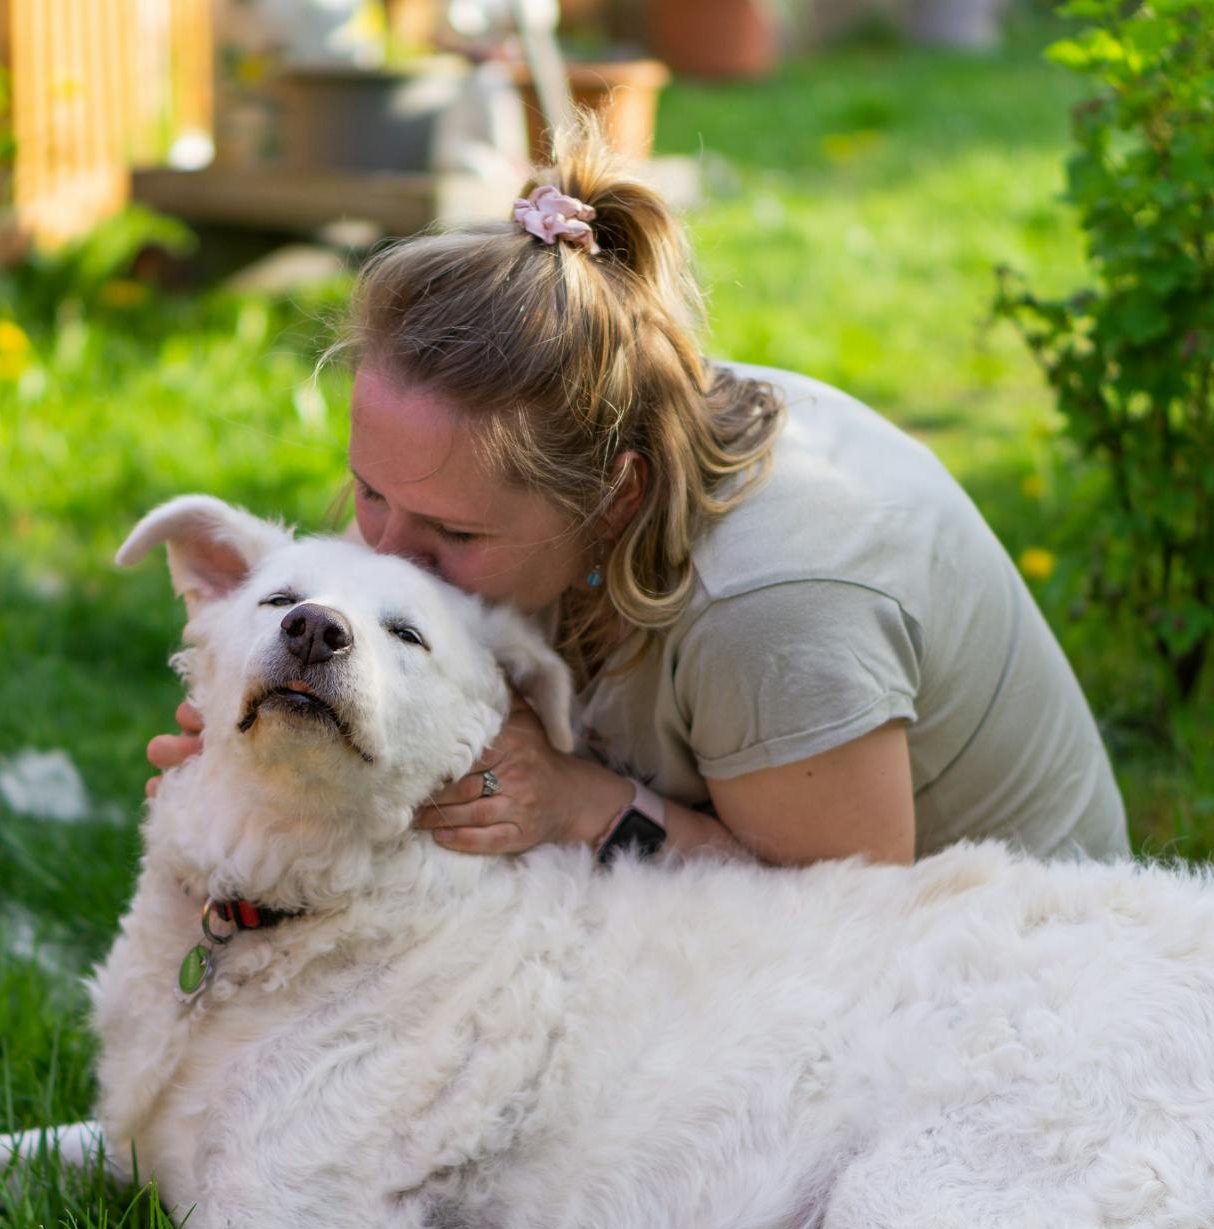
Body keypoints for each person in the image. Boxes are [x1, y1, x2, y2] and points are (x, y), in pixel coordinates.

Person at [146, 123, 1127, 868]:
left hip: (1004, 978)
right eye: (369, 494)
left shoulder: (773, 608)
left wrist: (581, 806)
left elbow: (846, 928)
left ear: (616, 501)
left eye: (451, 531)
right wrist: (276, 722)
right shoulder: (540, 428)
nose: (388, 560)